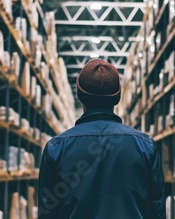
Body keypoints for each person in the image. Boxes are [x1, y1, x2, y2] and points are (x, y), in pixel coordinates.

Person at [38, 59, 165, 219]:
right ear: (117, 97)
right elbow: (157, 211)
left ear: (80, 96)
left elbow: (47, 213)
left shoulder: (56, 148)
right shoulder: (146, 147)